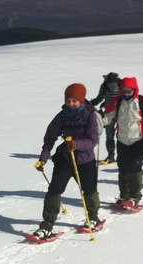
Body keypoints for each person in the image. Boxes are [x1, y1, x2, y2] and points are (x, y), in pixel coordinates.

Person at [32, 84, 101, 240]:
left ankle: (93, 217)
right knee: (54, 190)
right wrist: (43, 158)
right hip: (65, 158)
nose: (71, 104)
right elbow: (50, 137)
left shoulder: (90, 116)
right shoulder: (62, 116)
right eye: (68, 100)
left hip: (85, 160)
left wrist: (77, 144)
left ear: (82, 100)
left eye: (75, 100)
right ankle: (47, 226)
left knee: (89, 189)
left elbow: (92, 140)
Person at [103, 77, 143, 208]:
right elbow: (107, 117)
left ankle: (135, 196)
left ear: (134, 90)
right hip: (123, 139)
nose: (126, 94)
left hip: (140, 139)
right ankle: (124, 195)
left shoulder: (142, 101)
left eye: (129, 92)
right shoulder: (117, 101)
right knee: (122, 166)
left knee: (134, 165)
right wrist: (97, 120)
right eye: (124, 91)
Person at [90, 72, 121, 164]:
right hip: (114, 113)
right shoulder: (108, 86)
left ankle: (116, 156)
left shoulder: (108, 85)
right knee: (116, 136)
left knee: (115, 136)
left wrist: (91, 103)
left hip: (115, 113)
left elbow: (99, 98)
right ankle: (116, 156)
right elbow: (100, 98)